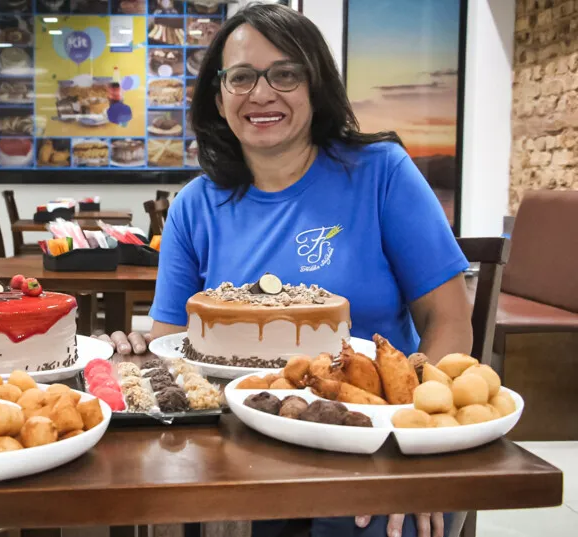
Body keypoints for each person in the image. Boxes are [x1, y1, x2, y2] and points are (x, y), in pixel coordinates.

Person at [97, 4, 471, 537]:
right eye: (242, 77)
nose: (262, 93)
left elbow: (450, 319)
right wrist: (133, 357)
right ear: (219, 95)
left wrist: (420, 440)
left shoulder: (381, 173)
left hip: (370, 439)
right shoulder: (194, 206)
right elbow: (173, 345)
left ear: (316, 85)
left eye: (286, 73)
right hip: (235, 449)